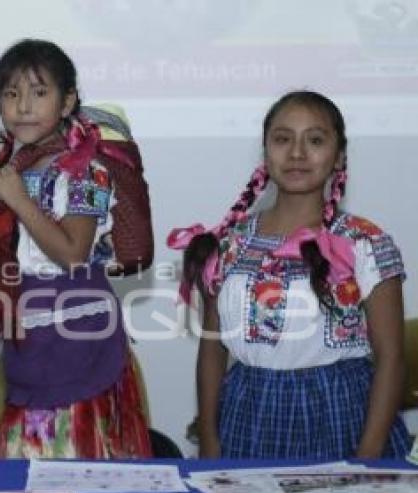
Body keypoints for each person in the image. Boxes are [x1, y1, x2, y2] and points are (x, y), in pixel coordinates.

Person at [168, 90, 411, 459]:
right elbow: (212, 348)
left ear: (339, 156)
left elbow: (391, 357)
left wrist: (367, 457)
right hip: (248, 414)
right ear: (266, 152)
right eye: (283, 139)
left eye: (315, 140)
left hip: (341, 412)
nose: (297, 153)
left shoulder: (365, 242)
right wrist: (210, 438)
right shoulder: (229, 243)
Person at [0, 39, 153, 459]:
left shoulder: (85, 170)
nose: (23, 106)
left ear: (67, 100)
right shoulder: (16, 169)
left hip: (78, 333)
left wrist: (19, 200)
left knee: (79, 459)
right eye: (11, 93)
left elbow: (74, 253)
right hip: (32, 335)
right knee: (27, 469)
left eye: (39, 93)